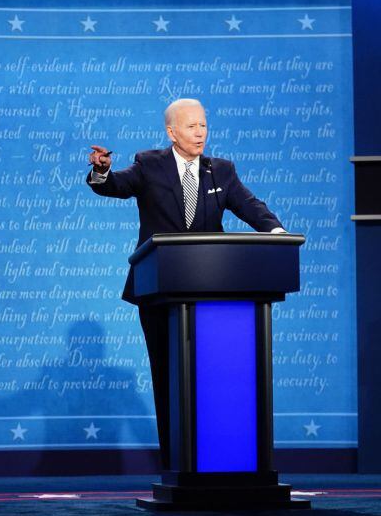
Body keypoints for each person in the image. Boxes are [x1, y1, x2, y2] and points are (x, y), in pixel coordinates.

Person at [87, 98, 286, 470]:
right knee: (168, 376)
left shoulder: (220, 171)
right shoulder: (150, 164)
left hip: (214, 293)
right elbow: (116, 185)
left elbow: (249, 205)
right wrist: (102, 172)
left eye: (204, 126)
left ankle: (221, 461)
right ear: (171, 132)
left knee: (212, 382)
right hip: (159, 291)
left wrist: (275, 231)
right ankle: (176, 463)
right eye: (192, 126)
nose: (200, 133)